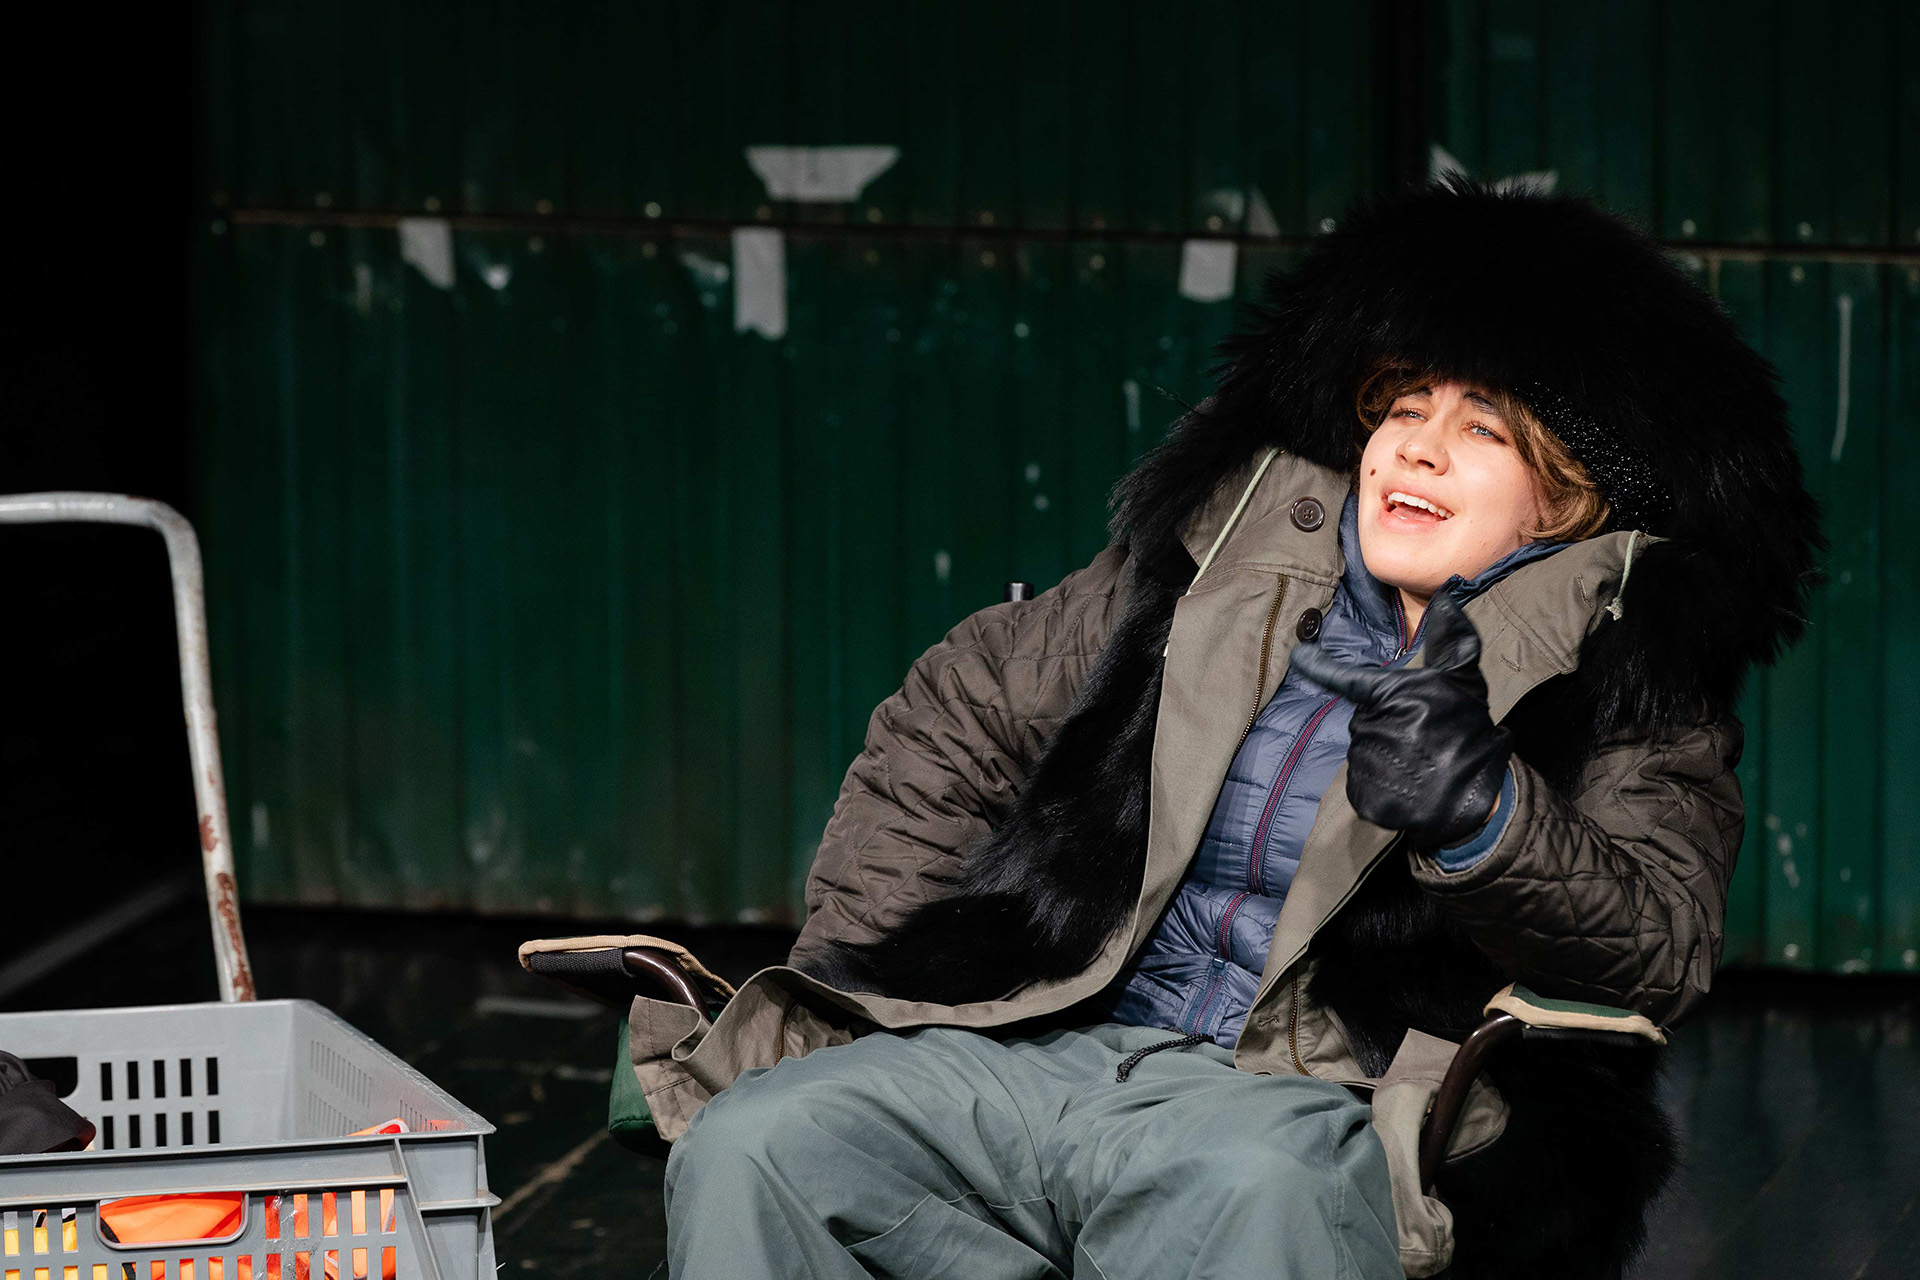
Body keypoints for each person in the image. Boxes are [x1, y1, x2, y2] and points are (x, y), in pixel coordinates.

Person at [640, 178, 1822, 1279]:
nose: (1416, 443)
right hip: (1045, 1034)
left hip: (1306, 1092)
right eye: (1404, 406)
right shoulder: (1213, 569)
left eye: (1483, 429)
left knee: (1255, 1186)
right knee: (765, 1135)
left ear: (1566, 495)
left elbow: (1659, 945)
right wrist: (878, 975)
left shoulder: (1622, 680)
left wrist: (1487, 815)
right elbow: (958, 711)